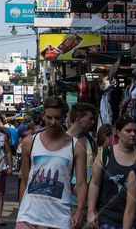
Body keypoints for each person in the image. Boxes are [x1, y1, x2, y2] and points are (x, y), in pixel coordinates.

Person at [16, 96, 87, 229]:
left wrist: (80, 211)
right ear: (43, 116)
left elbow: (82, 183)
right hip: (27, 217)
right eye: (49, 118)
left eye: (57, 118)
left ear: (65, 117)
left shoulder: (76, 147)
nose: (53, 122)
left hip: (58, 219)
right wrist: (21, 211)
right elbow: (24, 181)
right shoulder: (29, 142)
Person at [87, 117, 136, 229]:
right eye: (128, 131)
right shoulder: (105, 154)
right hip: (108, 219)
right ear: (118, 132)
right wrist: (91, 212)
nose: (133, 134)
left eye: (135, 131)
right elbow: (94, 184)